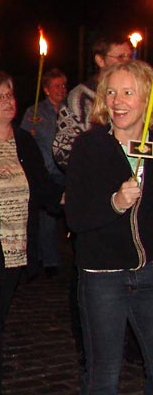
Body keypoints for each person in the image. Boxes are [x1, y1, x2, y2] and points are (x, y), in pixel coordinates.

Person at [65, 60, 153, 394]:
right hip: (103, 276)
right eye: (112, 92)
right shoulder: (90, 146)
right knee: (104, 373)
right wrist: (114, 203)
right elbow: (75, 216)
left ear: (146, 98)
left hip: (150, 273)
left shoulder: (152, 145)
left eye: (128, 92)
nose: (117, 101)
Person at [0, 72, 63, 395]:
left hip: (16, 251)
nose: (8, 102)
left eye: (10, 95)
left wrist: (83, 196)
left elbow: (44, 189)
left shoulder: (24, 141)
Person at [53, 34, 132, 170]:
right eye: (120, 57)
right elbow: (63, 150)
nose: (127, 62)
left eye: (129, 56)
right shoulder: (80, 98)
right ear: (100, 60)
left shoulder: (136, 95)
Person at [21, 68, 68, 274]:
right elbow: (23, 139)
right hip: (47, 171)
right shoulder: (35, 113)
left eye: (64, 85)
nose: (62, 90)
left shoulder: (72, 110)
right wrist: (29, 134)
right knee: (47, 219)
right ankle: (48, 261)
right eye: (57, 86)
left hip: (69, 171)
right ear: (47, 89)